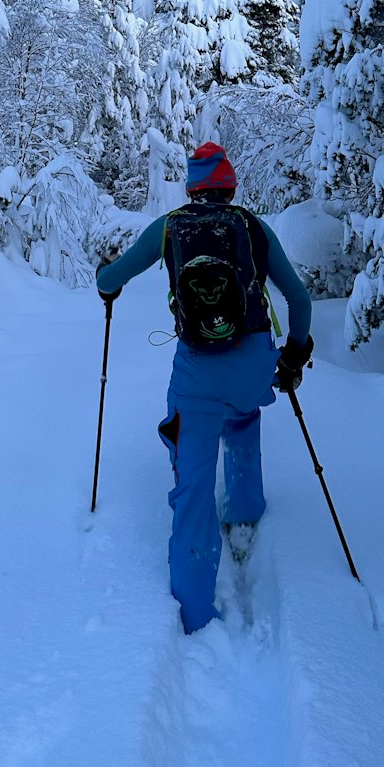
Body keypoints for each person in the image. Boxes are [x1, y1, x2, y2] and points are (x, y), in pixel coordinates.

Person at [96, 143, 313, 633]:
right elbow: (299, 299)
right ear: (231, 188)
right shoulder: (253, 226)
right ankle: (243, 518)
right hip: (255, 365)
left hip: (197, 372)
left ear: (192, 189)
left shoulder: (170, 226)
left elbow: (115, 277)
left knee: (193, 480)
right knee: (241, 414)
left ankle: (195, 611)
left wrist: (105, 283)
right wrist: (294, 355)